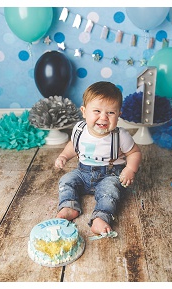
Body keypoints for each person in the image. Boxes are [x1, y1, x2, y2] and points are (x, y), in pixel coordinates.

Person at [55, 81, 141, 235]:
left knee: (110, 192)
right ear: (84, 111)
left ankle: (101, 217)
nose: (103, 117)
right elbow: (73, 146)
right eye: (97, 111)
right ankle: (69, 206)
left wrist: (130, 169)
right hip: (83, 173)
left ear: (119, 115)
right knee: (66, 180)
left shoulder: (121, 136)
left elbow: (134, 152)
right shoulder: (79, 130)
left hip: (110, 175)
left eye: (110, 113)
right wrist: (64, 156)